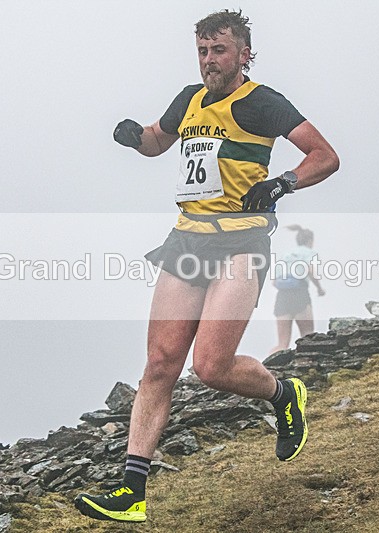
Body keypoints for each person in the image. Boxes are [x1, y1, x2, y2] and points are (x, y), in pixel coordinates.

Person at [74, 9, 339, 523]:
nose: (209, 61)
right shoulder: (189, 99)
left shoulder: (263, 103)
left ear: (244, 54)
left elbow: (325, 156)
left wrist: (282, 182)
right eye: (202, 51)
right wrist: (134, 136)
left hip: (242, 242)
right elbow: (157, 142)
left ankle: (285, 394)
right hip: (187, 240)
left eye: (219, 51)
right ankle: (132, 493)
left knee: (211, 367)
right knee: (160, 364)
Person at [269, 225, 325, 355]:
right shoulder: (309, 253)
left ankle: (269, 368)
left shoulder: (285, 255)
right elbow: (311, 271)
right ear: (310, 240)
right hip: (300, 294)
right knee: (308, 338)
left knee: (282, 344)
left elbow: (274, 282)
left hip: (282, 297)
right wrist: (320, 289)